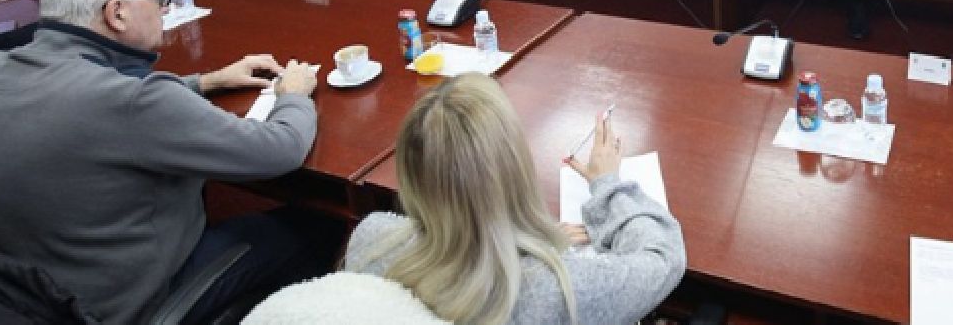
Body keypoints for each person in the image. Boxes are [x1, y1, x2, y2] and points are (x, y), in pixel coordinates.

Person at [0, 0, 338, 323]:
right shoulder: (134, 102)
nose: (166, 9)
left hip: (31, 298)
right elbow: (281, 150)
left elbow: (91, 106)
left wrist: (204, 82)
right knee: (320, 225)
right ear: (117, 13)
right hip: (129, 305)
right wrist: (294, 95)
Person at [287, 73, 685, 325]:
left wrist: (534, 247)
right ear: (516, 166)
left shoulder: (370, 239)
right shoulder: (557, 288)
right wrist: (607, 183)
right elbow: (664, 258)